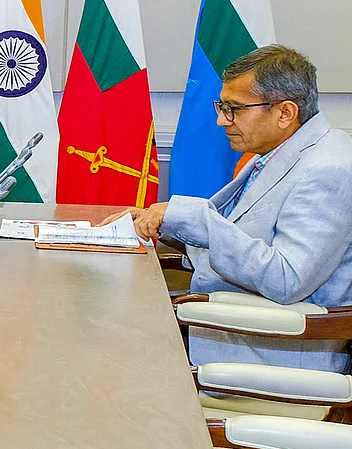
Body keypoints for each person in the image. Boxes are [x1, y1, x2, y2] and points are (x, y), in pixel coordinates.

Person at [104, 45, 352, 372]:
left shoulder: (326, 170)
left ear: (285, 113)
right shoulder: (287, 150)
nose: (222, 121)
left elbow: (287, 278)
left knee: (108, 361)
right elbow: (240, 236)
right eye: (222, 106)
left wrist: (193, 218)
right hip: (235, 333)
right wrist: (165, 225)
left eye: (233, 108)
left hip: (273, 357)